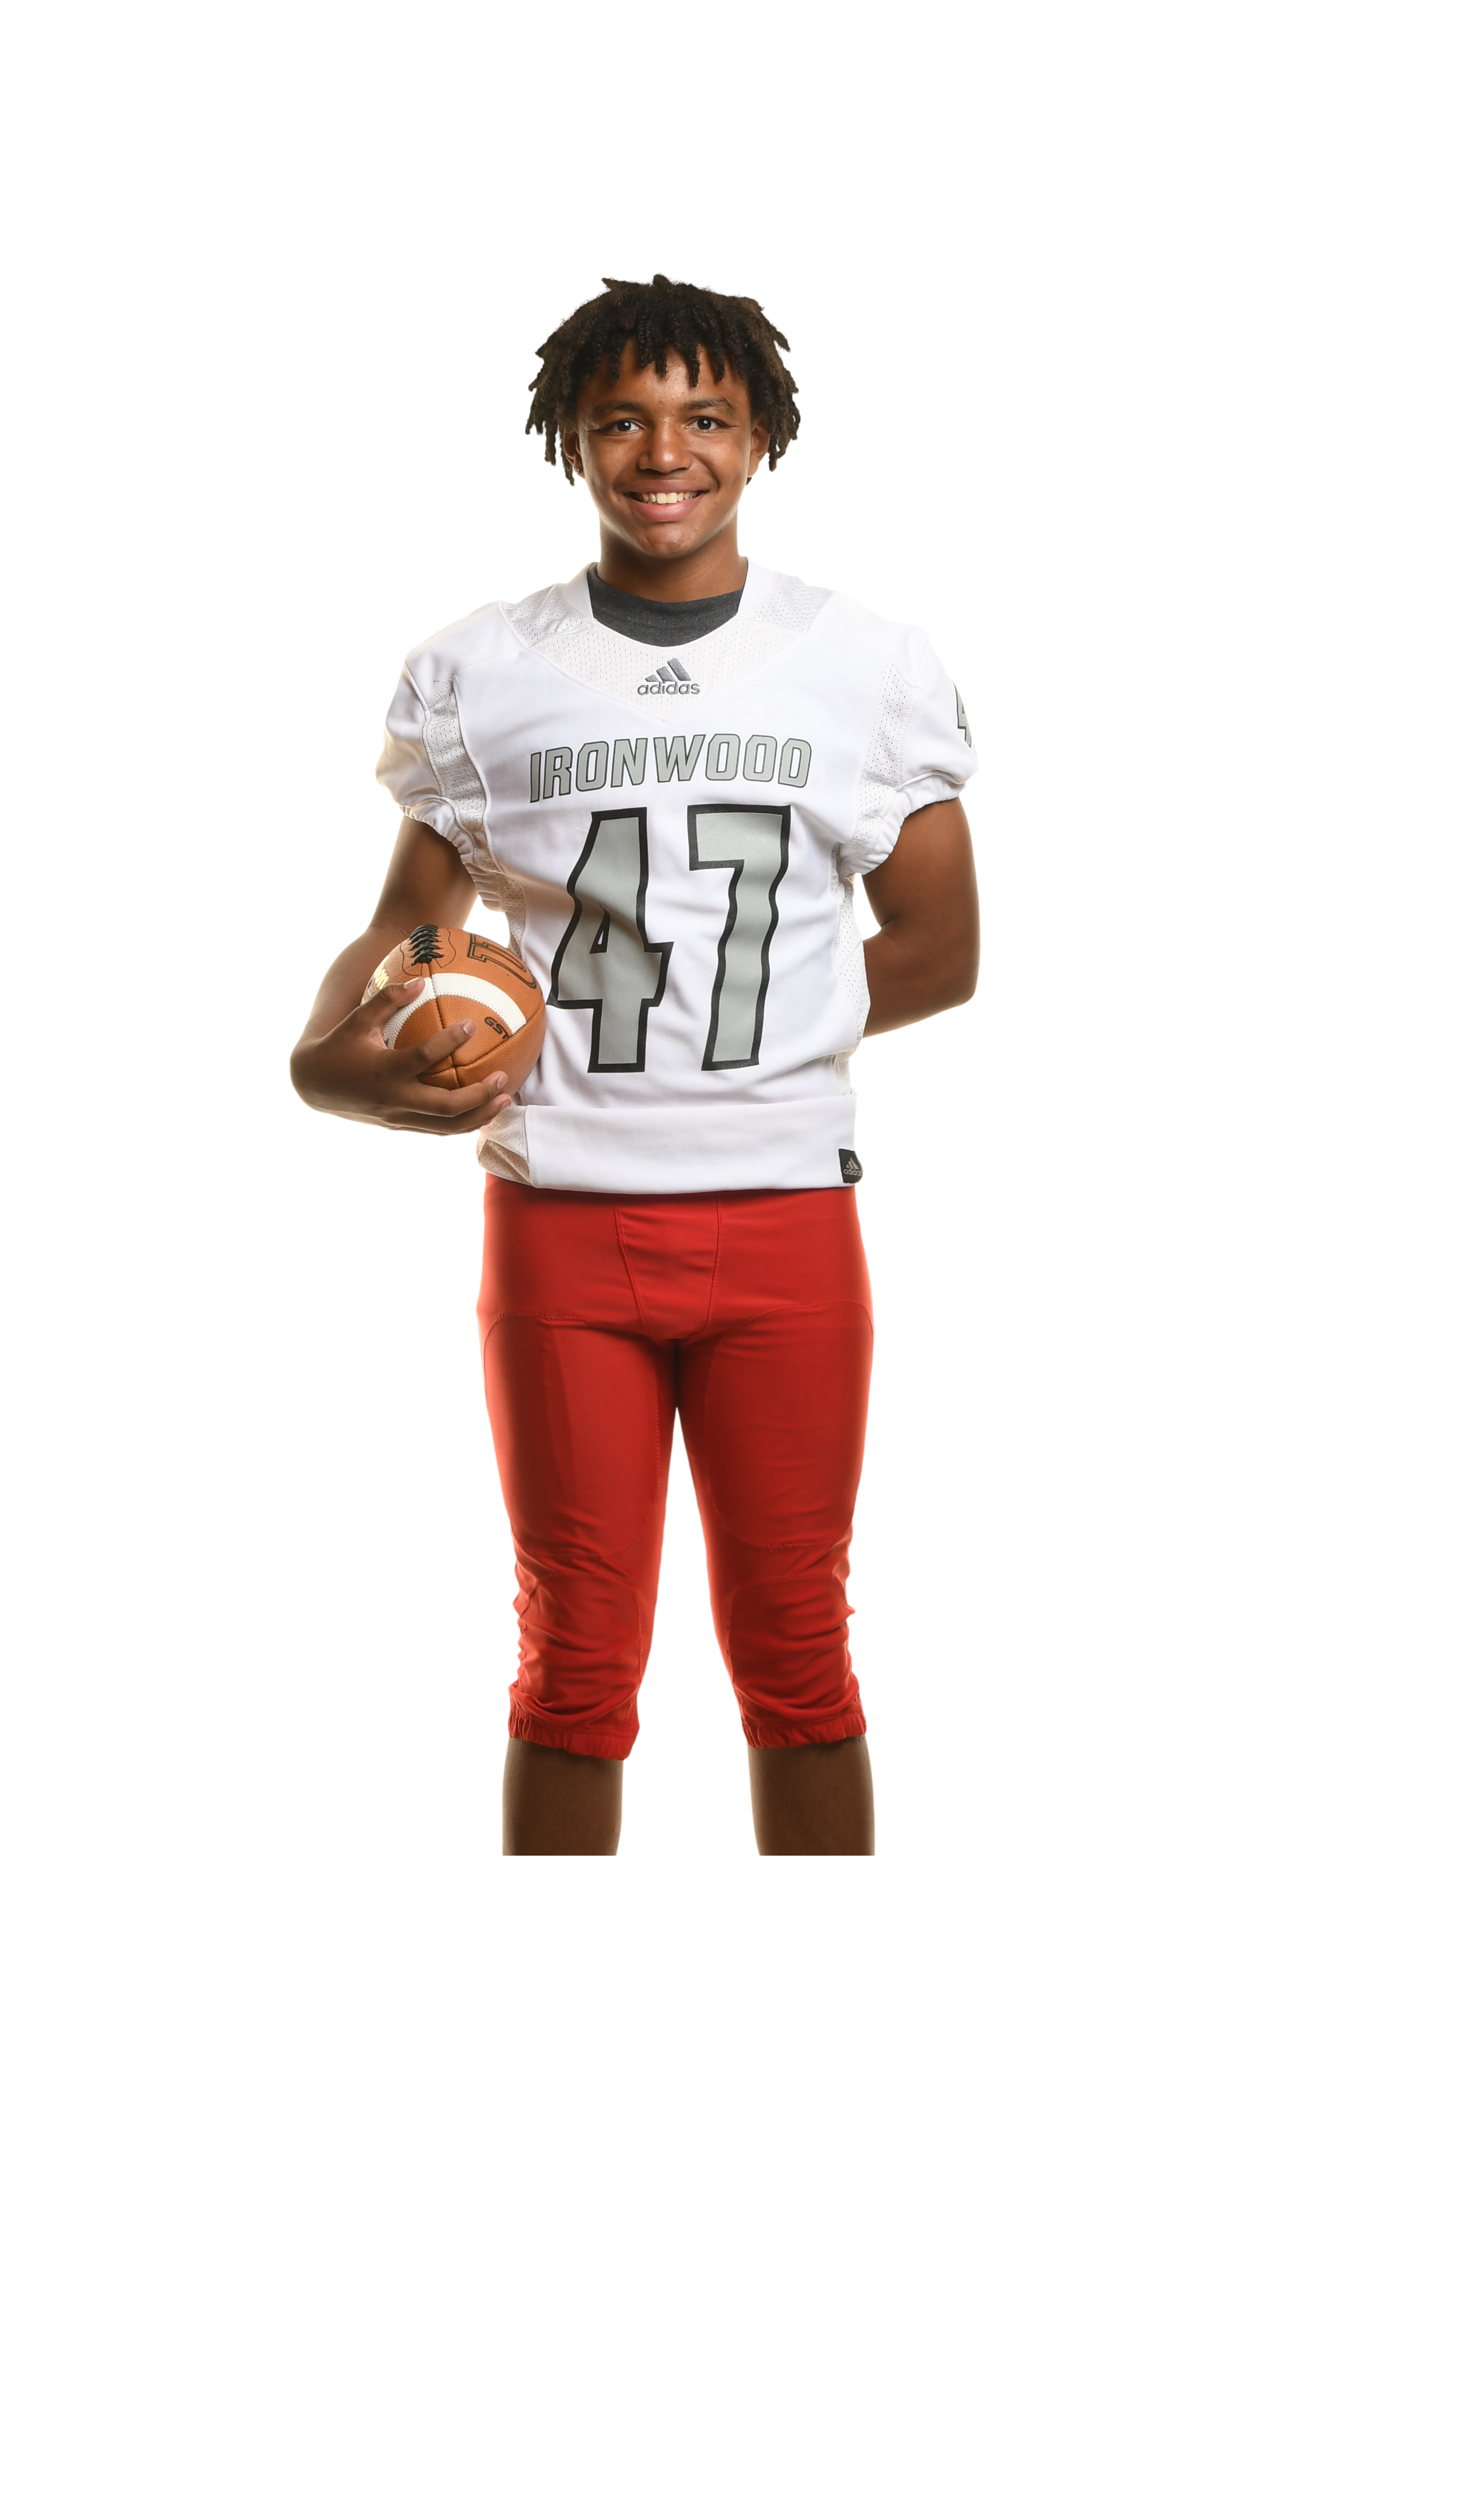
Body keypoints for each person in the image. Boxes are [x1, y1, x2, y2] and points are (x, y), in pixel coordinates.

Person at [290, 272, 980, 1854]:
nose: (664, 453)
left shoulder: (862, 666)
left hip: (785, 1217)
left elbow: (942, 949)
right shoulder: (486, 668)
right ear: (568, 440)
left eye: (706, 416)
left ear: (763, 437)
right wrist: (331, 1060)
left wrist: (738, 1040)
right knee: (573, 1660)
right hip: (562, 1222)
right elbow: (407, 924)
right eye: (621, 419)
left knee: (798, 1650)